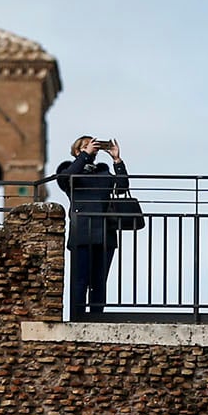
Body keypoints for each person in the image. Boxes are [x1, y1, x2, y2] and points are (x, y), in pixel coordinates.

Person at [54, 135, 129, 319]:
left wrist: (117, 160)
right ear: (77, 151)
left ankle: (97, 317)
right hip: (82, 233)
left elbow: (121, 187)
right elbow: (67, 180)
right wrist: (85, 156)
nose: (93, 147)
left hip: (105, 235)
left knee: (99, 281)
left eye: (94, 145)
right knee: (80, 280)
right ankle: (77, 317)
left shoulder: (103, 173)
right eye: (87, 145)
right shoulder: (69, 171)